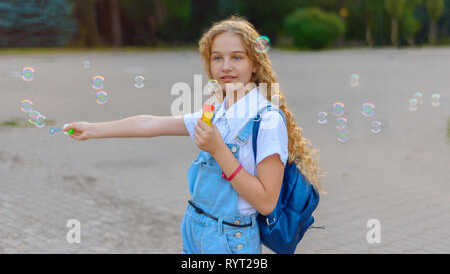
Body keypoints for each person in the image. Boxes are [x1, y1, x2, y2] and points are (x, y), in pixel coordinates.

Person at [64, 15, 324, 254]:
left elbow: (267, 203)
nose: (225, 67)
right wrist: (93, 129)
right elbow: (151, 124)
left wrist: (219, 150)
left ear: (255, 64)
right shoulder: (218, 113)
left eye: (237, 57)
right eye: (217, 57)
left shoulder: (267, 120)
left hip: (231, 238)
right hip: (195, 229)